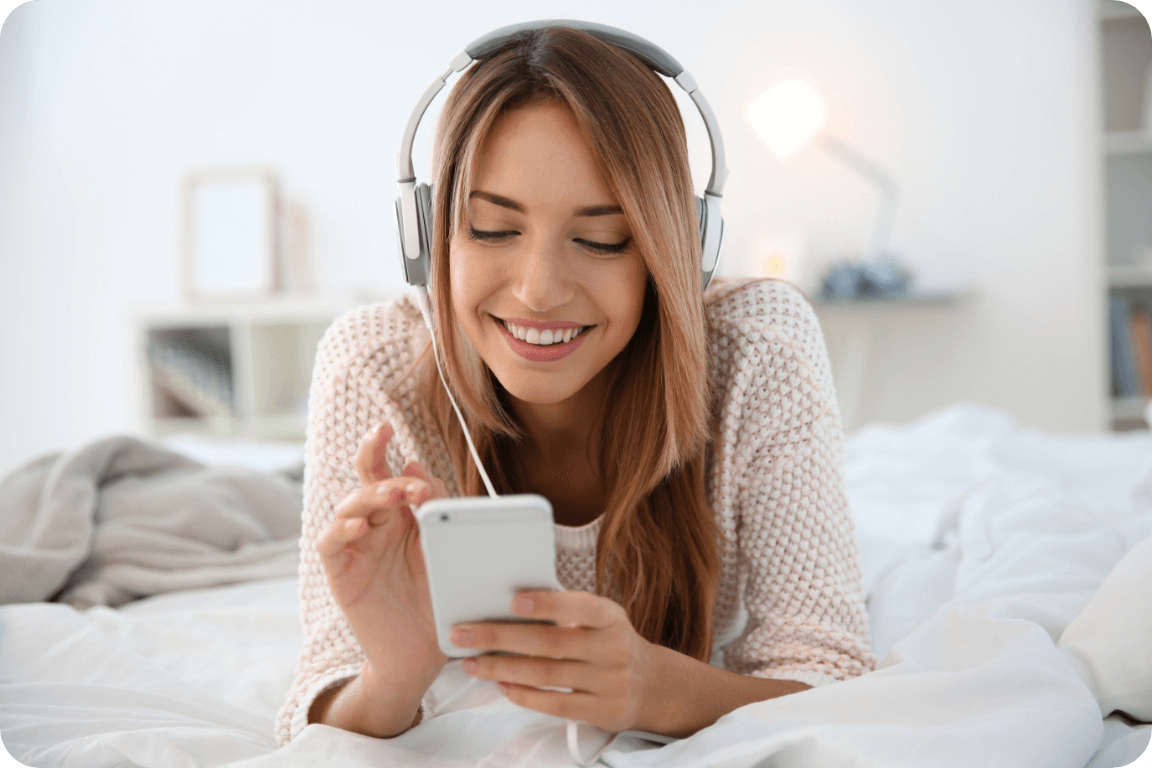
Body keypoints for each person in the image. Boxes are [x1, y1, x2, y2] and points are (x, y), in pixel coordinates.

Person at [275, 24, 876, 746]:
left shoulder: (758, 349)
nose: (538, 291)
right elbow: (315, 702)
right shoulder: (373, 362)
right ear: (428, 235)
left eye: (600, 239)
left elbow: (829, 675)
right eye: (493, 228)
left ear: (676, 247)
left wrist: (656, 689)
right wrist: (393, 677)